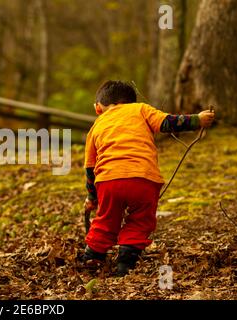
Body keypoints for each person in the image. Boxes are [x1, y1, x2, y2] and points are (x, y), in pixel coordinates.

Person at [80, 80, 215, 276]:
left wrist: (92, 198)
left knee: (106, 220)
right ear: (131, 101)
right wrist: (197, 120)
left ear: (98, 108)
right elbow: (168, 122)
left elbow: (90, 169)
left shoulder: (96, 126)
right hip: (144, 179)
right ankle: (125, 265)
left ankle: (91, 260)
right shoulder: (141, 109)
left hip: (109, 181)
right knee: (140, 220)